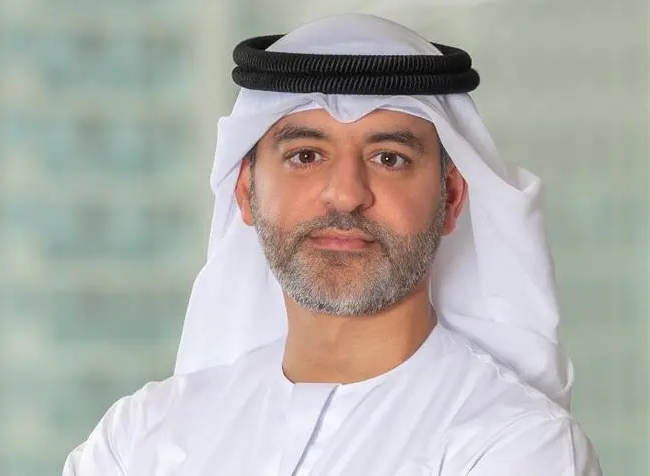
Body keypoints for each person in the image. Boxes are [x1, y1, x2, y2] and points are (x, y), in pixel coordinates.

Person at [63, 14, 602, 475]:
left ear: (452, 198)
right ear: (246, 193)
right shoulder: (140, 436)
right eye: (305, 156)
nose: (346, 194)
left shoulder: (517, 443)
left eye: (389, 158)